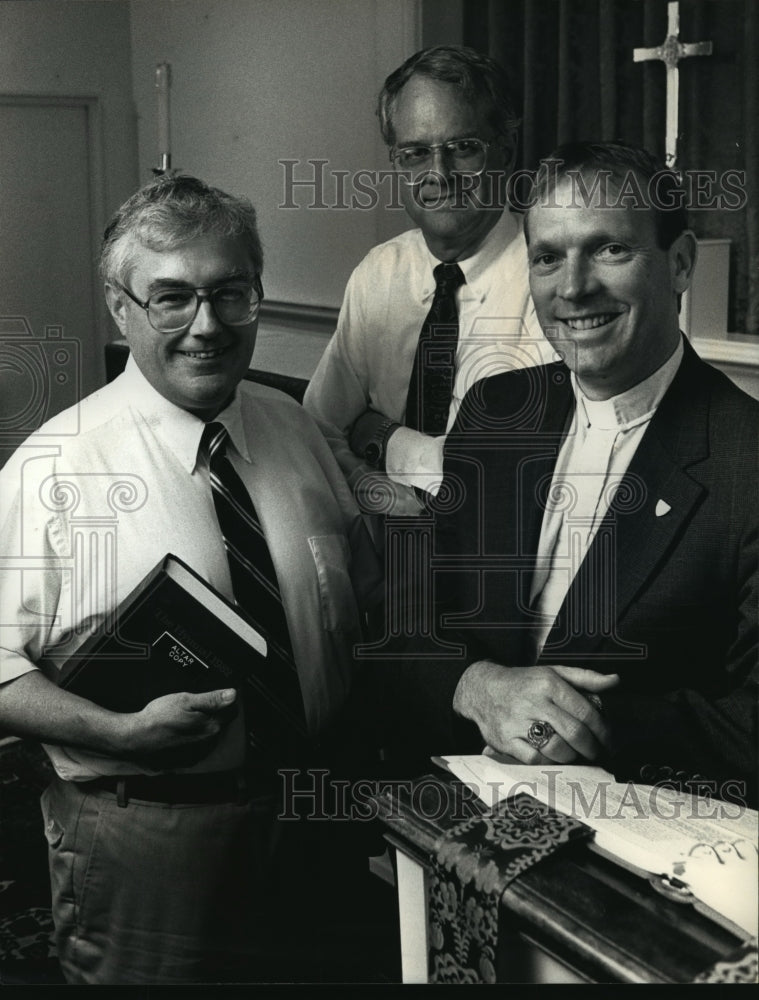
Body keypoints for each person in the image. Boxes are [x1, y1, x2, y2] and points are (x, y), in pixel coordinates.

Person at [0, 174, 379, 985]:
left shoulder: (294, 427)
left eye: (229, 294)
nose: (206, 327)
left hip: (315, 816)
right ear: (120, 306)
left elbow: (358, 602)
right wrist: (115, 733)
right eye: (170, 299)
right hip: (148, 841)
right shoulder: (55, 467)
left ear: (257, 294)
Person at [379, 142, 758, 806]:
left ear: (679, 263)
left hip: (636, 868)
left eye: (608, 249)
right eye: (548, 257)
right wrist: (477, 686)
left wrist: (584, 724)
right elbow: (405, 612)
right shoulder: (495, 411)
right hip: (450, 827)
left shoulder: (745, 454)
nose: (573, 287)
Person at [303, 45, 553, 534]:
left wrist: (378, 435)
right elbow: (318, 430)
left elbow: (510, 471)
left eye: (463, 147)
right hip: (383, 553)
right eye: (416, 153)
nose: (438, 174)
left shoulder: (551, 276)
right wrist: (379, 494)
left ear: (504, 149)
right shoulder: (379, 273)